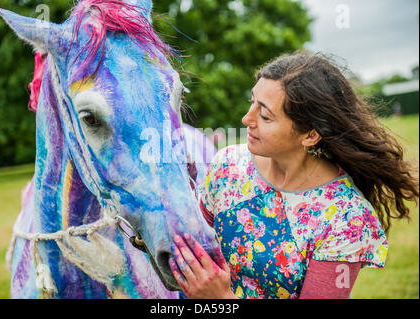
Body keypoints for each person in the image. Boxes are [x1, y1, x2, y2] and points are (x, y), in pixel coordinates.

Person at [168, 51, 419, 299]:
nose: (246, 119)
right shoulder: (227, 166)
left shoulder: (347, 217)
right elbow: (191, 244)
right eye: (251, 102)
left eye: (265, 116)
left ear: (310, 134)